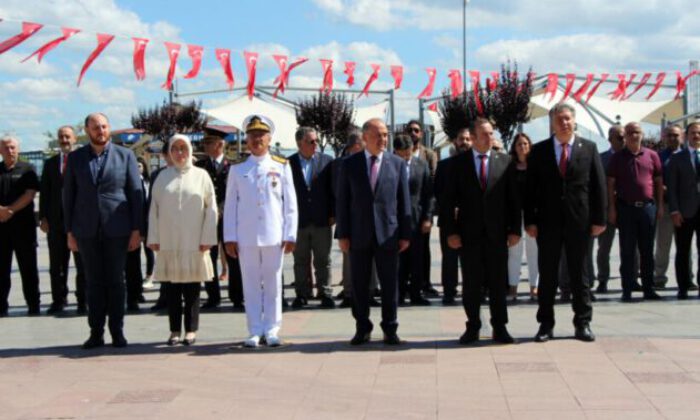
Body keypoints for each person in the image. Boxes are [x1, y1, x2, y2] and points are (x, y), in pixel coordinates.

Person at [524, 103, 606, 343]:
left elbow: (598, 187)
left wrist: (599, 219)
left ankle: (583, 323)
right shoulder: (539, 151)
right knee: (547, 275)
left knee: (579, 274)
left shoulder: (589, 149)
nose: (564, 123)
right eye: (559, 119)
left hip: (579, 222)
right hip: (547, 223)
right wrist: (530, 220)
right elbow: (531, 191)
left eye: (568, 118)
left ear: (574, 120)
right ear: (552, 122)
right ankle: (545, 325)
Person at [63, 113, 144, 349]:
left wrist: (137, 229)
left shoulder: (125, 156)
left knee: (116, 282)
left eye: (104, 126)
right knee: (94, 282)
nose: (101, 130)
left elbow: (135, 194)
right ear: (87, 131)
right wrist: (69, 231)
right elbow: (68, 196)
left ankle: (117, 332)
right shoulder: (76, 158)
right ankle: (95, 332)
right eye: (96, 127)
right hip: (86, 231)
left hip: (118, 230)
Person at [442, 118, 520, 344]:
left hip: (497, 234)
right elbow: (447, 202)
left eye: (491, 133)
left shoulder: (505, 162)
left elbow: (513, 200)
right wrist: (451, 232)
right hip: (469, 235)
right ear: (473, 138)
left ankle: (500, 327)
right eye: (485, 134)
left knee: (498, 283)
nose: (490, 137)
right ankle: (473, 326)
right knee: (471, 284)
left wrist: (515, 229)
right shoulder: (458, 164)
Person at [224, 115, 298, 348]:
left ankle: (273, 329)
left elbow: (290, 203)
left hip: (273, 235)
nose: (257, 139)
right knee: (251, 284)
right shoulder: (237, 169)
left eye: (261, 135)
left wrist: (290, 234)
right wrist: (230, 237)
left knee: (274, 284)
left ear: (269, 139)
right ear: (246, 139)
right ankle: (255, 330)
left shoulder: (281, 165)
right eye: (252, 135)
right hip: (246, 236)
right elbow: (230, 206)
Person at [336, 118, 411, 346]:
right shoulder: (349, 164)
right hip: (358, 234)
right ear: (365, 137)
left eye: (386, 134)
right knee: (359, 285)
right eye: (378, 135)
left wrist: (405, 234)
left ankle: (390, 328)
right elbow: (343, 202)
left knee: (390, 284)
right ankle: (362, 328)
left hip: (388, 234)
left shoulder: (396, 164)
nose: (383, 139)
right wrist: (343, 234)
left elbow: (403, 201)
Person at [148, 134, 218, 346]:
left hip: (194, 241)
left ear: (189, 150)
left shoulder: (201, 175)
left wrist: (208, 237)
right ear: (169, 152)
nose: (180, 153)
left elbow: (211, 209)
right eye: (175, 149)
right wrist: (154, 237)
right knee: (172, 290)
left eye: (183, 148)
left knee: (192, 289)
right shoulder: (162, 177)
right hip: (169, 241)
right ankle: (174, 330)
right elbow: (154, 209)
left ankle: (191, 330)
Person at [607, 122, 663, 301]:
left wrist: (660, 205)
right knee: (627, 251)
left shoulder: (652, 155)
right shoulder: (617, 157)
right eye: (630, 133)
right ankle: (627, 289)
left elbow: (659, 181)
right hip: (626, 209)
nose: (633, 136)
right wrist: (612, 208)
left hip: (647, 209)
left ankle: (648, 288)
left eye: (637, 132)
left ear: (642, 134)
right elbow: (610, 184)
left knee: (647, 251)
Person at [39, 126, 86, 315]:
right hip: (56, 223)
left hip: (80, 222)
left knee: (83, 264)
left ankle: (83, 300)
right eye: (61, 137)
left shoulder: (83, 160)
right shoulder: (50, 164)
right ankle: (59, 299)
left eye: (67, 136)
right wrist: (43, 217)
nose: (64, 140)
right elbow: (45, 191)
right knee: (57, 265)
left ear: (74, 138)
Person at [288, 127, 335, 309]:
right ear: (300, 143)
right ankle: (302, 293)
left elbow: (333, 190)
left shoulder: (327, 161)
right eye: (311, 141)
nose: (316, 144)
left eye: (316, 140)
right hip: (299, 221)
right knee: (300, 260)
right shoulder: (288, 163)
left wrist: (333, 213)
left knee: (324, 259)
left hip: (322, 220)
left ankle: (325, 293)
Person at [196, 135, 244, 310]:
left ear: (220, 144)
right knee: (209, 257)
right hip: (207, 219)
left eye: (210, 142)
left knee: (233, 258)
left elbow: (234, 193)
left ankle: (237, 296)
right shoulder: (200, 166)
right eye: (206, 142)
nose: (206, 145)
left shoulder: (233, 166)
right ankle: (213, 296)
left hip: (228, 218)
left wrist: (221, 210)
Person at [334, 130, 381, 309]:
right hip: (352, 223)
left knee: (373, 262)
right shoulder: (343, 164)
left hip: (374, 224)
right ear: (357, 146)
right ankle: (349, 293)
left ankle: (371, 291)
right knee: (350, 262)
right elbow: (339, 195)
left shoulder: (378, 161)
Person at [0, 136, 41, 317]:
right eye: (6, 148)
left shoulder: (27, 169)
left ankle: (33, 304)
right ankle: (1, 305)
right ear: (1, 150)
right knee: (1, 270)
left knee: (28, 268)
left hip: (23, 228)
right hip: (1, 229)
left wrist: (9, 210)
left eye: (13, 147)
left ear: (18, 149)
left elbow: (30, 194)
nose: (10, 151)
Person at [393, 134, 433, 306]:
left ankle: (416, 294)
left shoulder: (422, 165)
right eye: (402, 153)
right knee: (399, 261)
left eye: (408, 152)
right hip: (395, 221)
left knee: (417, 259)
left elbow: (428, 194)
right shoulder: (389, 165)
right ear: (396, 151)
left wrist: (428, 218)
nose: (405, 156)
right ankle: (399, 294)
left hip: (416, 220)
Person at [434, 128, 471, 305]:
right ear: (455, 142)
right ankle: (449, 292)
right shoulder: (444, 165)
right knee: (449, 258)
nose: (464, 142)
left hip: (470, 219)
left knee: (470, 258)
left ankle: (471, 290)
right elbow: (438, 193)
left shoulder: (475, 163)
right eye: (461, 139)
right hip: (448, 219)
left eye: (468, 139)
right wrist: (450, 209)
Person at [655, 124, 693, 289]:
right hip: (665, 206)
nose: (672, 138)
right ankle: (659, 278)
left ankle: (688, 278)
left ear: (682, 137)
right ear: (664, 137)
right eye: (669, 135)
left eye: (675, 135)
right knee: (663, 244)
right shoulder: (658, 157)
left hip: (685, 208)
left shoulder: (689, 155)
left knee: (685, 246)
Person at [405, 120, 438, 297]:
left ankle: (424, 282)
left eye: (416, 130)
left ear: (421, 134)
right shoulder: (398, 154)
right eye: (410, 130)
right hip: (404, 214)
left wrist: (428, 216)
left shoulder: (429, 155)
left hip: (421, 211)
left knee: (423, 250)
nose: (413, 133)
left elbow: (431, 182)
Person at [667, 122, 700, 299]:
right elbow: (672, 187)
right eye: (693, 133)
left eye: (699, 133)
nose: (696, 136)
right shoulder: (677, 158)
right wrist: (674, 211)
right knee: (683, 250)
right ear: (686, 135)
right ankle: (683, 285)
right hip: (685, 212)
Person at [506, 133, 538, 301]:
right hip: (515, 215)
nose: (523, 147)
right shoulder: (509, 167)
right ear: (514, 147)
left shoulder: (536, 167)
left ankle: (534, 286)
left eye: (525, 143)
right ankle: (513, 287)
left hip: (533, 215)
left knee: (534, 251)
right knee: (514, 252)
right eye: (519, 144)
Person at [594, 125, 625, 293]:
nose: (623, 140)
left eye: (624, 137)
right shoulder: (601, 158)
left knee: (629, 247)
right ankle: (603, 279)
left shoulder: (631, 157)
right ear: (610, 139)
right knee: (604, 247)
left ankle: (631, 278)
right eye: (619, 137)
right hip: (607, 209)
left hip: (627, 208)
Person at [138, 158, 156, 290]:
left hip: (148, 218)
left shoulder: (149, 181)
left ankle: (149, 275)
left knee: (148, 249)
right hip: (137, 219)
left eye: (140, 166)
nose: (138, 168)